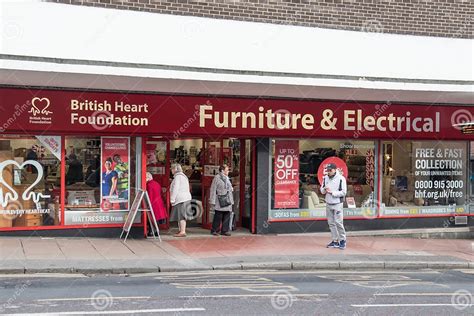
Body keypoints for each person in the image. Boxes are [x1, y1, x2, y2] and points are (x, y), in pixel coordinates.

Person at [320, 163, 347, 250]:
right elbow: (322, 191)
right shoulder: (325, 178)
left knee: (338, 222)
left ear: (335, 170)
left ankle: (342, 240)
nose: (329, 172)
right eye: (328, 170)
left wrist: (333, 193)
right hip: (328, 203)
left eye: (330, 170)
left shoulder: (341, 179)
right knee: (331, 223)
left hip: (337, 203)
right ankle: (335, 241)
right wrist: (324, 189)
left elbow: (343, 192)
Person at [209, 164, 234, 236]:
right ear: (222, 171)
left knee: (227, 214)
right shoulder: (217, 178)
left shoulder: (227, 178)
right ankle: (214, 230)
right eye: (227, 170)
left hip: (228, 198)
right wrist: (212, 201)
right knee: (218, 215)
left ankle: (225, 230)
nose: (228, 171)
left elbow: (230, 188)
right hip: (220, 199)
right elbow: (213, 189)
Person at [169, 163, 192, 237]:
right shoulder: (184, 177)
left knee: (181, 215)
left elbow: (176, 188)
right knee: (181, 215)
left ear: (175, 169)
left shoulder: (178, 177)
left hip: (180, 199)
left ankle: (182, 231)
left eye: (172, 169)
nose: (171, 170)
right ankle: (181, 230)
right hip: (185, 197)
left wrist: (172, 199)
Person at [145, 172, 168, 237]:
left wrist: (147, 203)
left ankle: (151, 231)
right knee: (156, 218)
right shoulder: (157, 183)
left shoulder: (148, 185)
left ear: (147, 178)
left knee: (151, 218)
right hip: (159, 203)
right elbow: (161, 193)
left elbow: (148, 195)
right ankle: (156, 232)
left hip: (152, 203)